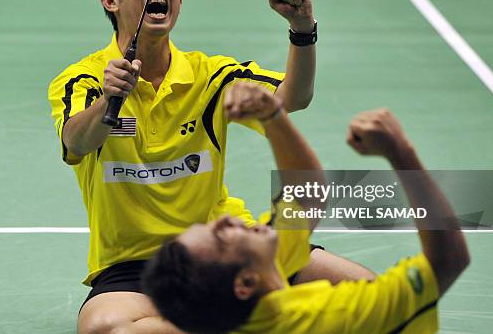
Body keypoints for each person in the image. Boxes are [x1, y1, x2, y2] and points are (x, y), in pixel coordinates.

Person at [47, 0, 373, 333]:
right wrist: (109, 101)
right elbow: (76, 141)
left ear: (179, 0)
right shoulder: (83, 80)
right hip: (135, 264)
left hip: (223, 249)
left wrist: (302, 29)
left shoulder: (210, 77)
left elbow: (294, 97)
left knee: (365, 293)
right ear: (109, 0)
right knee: (102, 329)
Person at [143, 82, 471, 334]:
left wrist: (273, 117)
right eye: (222, 237)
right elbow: (448, 262)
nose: (227, 219)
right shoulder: (334, 318)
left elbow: (305, 195)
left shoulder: (239, 302)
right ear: (244, 283)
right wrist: (402, 153)